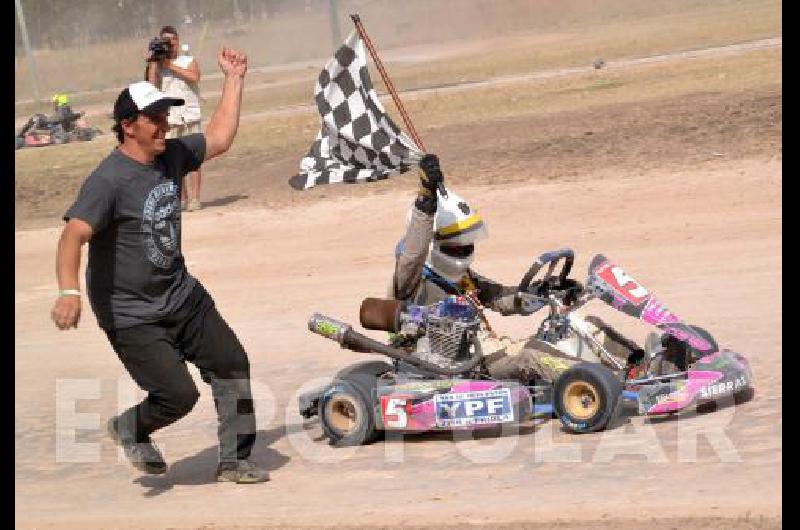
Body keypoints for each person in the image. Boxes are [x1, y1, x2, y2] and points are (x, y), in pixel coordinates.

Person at [50, 48, 268, 484]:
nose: (164, 124)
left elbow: (220, 137)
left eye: (164, 115)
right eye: (154, 118)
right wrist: (68, 293)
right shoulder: (108, 181)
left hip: (181, 295)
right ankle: (132, 427)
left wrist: (234, 79)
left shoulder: (170, 155)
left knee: (231, 363)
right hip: (132, 315)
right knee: (177, 396)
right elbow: (73, 235)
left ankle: (234, 461)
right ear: (128, 126)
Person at [391, 154, 640, 382]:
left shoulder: (462, 278)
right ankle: (607, 383)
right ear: (432, 245)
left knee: (584, 325)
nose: (464, 252)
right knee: (534, 357)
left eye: (466, 246)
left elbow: (503, 299)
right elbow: (413, 254)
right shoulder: (412, 281)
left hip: (496, 351)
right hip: (466, 366)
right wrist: (426, 201)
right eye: (456, 248)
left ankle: (641, 367)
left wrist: (544, 290)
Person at [146, 25, 203, 212]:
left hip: (190, 115)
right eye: (165, 40)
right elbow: (151, 87)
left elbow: (194, 77)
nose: (169, 44)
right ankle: (180, 199)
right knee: (175, 162)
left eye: (172, 40)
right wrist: (154, 62)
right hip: (171, 118)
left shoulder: (188, 60)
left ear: (178, 41)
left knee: (194, 159)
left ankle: (195, 198)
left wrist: (170, 65)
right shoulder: (158, 66)